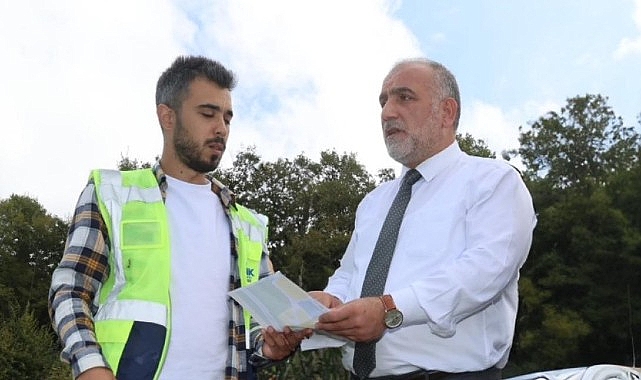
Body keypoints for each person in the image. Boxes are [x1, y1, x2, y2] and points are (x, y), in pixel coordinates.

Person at [48, 55, 311, 380]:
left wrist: (271, 346)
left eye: (228, 118)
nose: (221, 128)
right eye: (208, 114)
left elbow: (254, 327)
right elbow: (71, 289)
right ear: (167, 116)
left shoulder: (249, 225)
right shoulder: (113, 194)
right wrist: (89, 365)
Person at [310, 58, 537, 379]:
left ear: (447, 112)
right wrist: (330, 303)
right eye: (383, 101)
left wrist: (389, 309)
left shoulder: (494, 181)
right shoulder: (374, 202)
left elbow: (486, 269)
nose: (387, 112)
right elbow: (349, 275)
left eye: (404, 97)